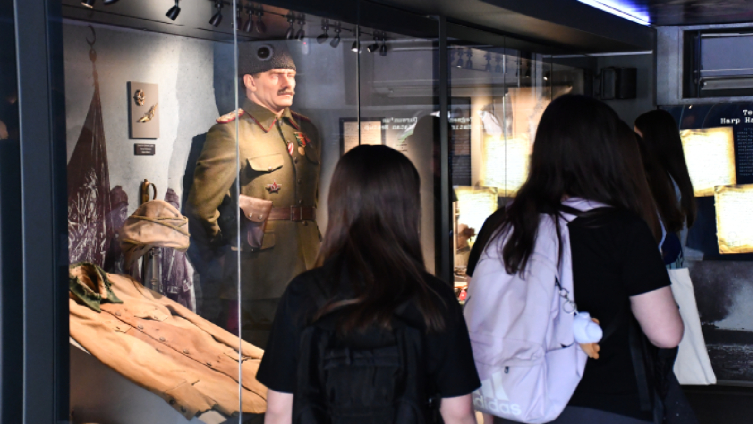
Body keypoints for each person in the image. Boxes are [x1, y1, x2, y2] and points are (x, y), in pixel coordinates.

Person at [467, 95, 684, 424]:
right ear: (607, 153)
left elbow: (482, 310)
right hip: (607, 405)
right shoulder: (622, 229)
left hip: (517, 401)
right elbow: (666, 333)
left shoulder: (502, 225)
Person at [257, 145, 480, 424]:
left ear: (337, 204)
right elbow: (458, 415)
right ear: (410, 208)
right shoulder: (434, 298)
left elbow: (280, 412)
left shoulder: (302, 293)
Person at [187, 41, 321, 347]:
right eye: (276, 75)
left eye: (291, 75)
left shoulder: (306, 131)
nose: (288, 83)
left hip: (309, 269)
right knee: (260, 358)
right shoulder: (230, 133)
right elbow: (200, 210)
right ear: (250, 81)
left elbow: (310, 204)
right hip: (259, 279)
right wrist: (224, 256)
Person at [634, 109, 697, 267]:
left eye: (637, 138)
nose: (633, 145)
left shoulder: (658, 184)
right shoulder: (678, 179)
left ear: (652, 142)